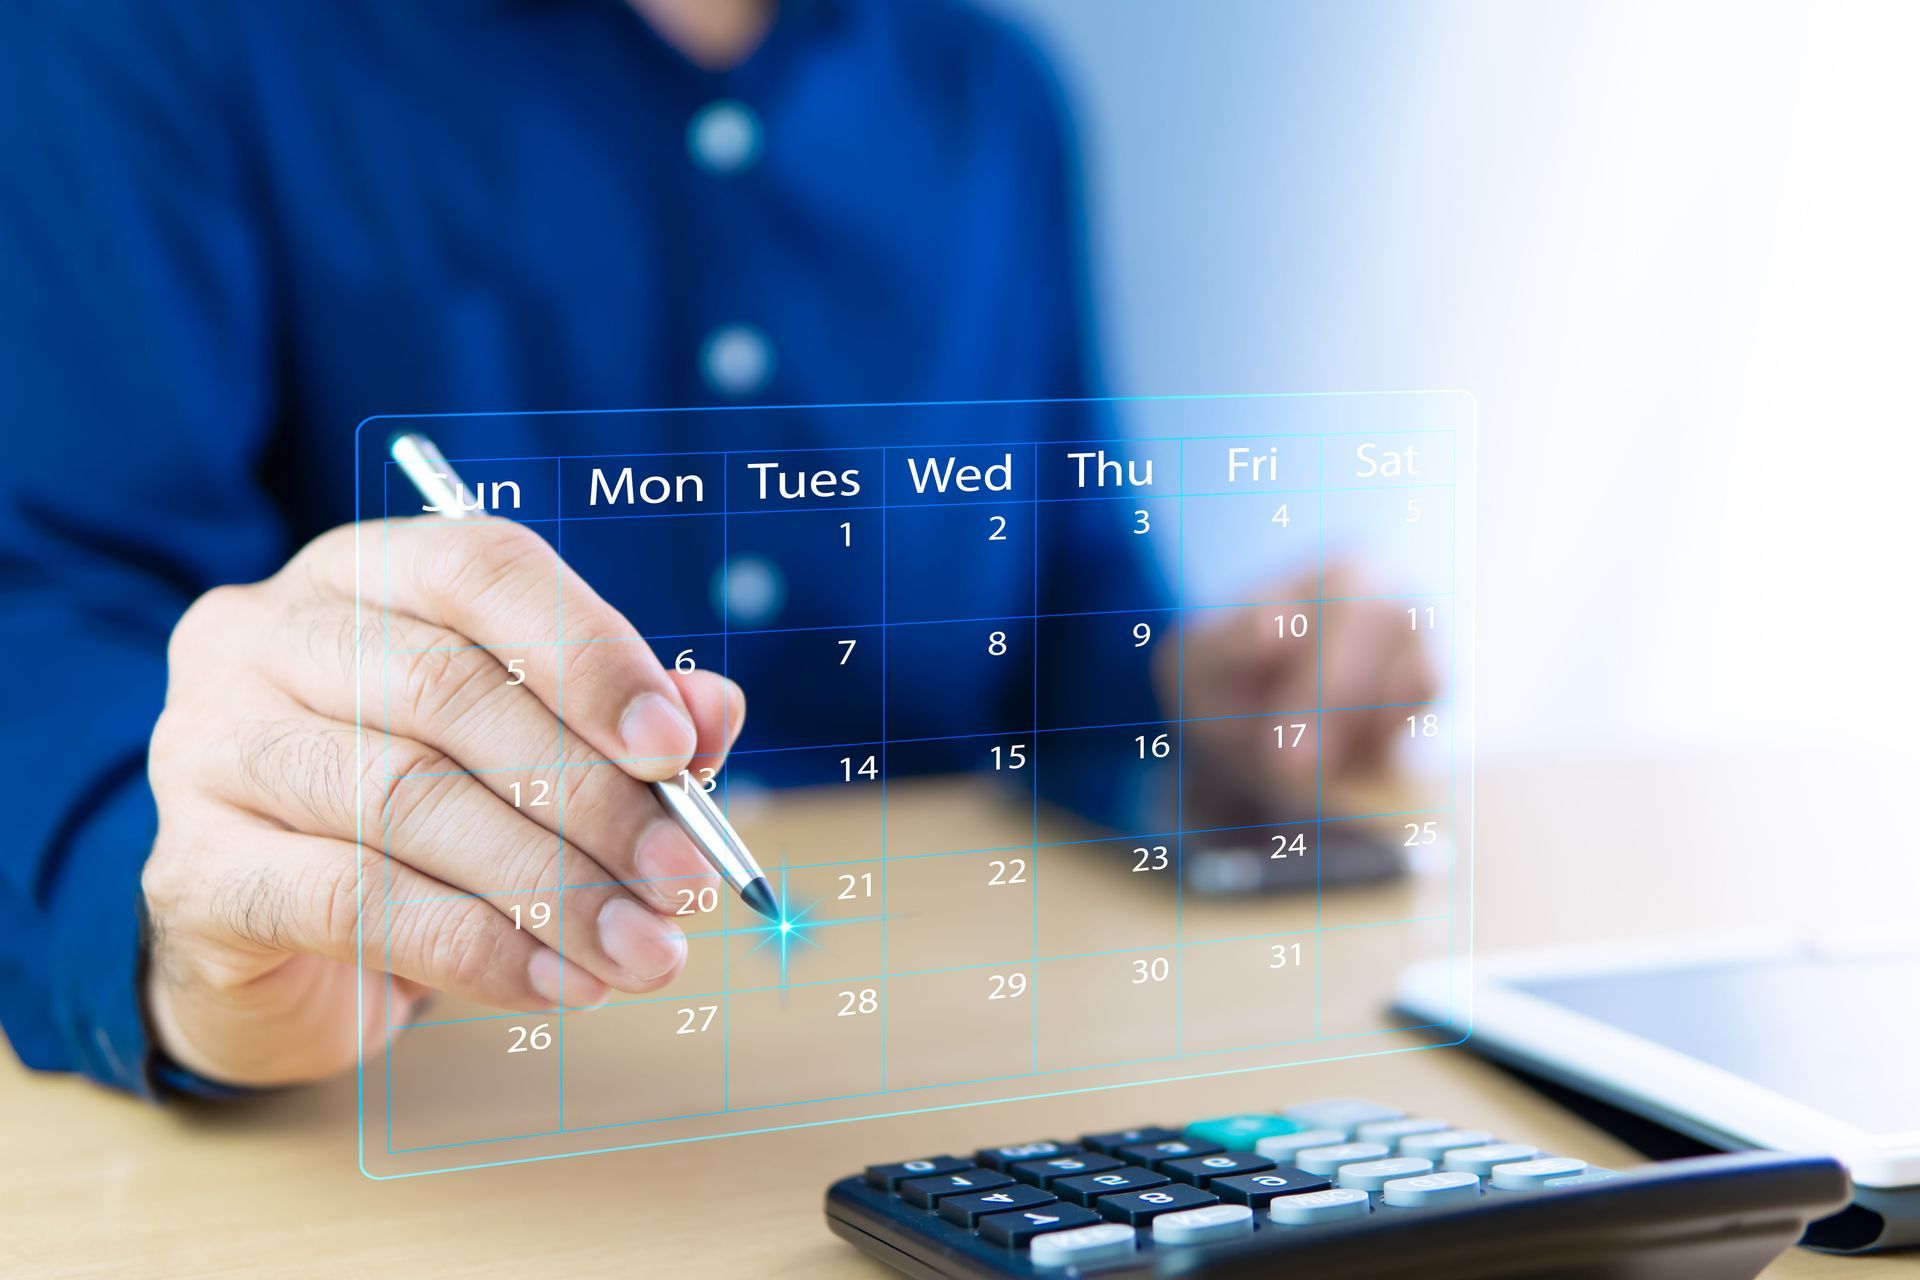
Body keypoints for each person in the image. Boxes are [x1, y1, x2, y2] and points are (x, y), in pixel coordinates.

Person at [0, 0, 1430, 1097]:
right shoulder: (142, 43)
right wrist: (191, 935)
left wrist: (1186, 698)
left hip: (958, 1071)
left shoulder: (992, 95)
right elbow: (48, 607)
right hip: (442, 1100)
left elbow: (1059, 591)